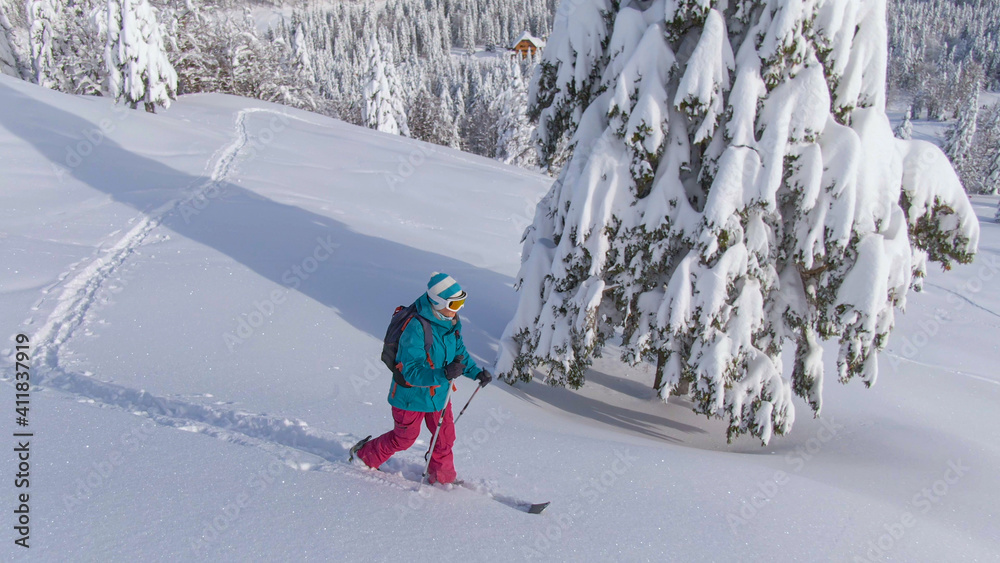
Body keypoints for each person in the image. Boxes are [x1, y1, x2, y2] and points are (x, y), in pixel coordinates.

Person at [351, 272, 492, 485]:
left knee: (444, 438)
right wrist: (443, 374)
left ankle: (441, 479)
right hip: (410, 395)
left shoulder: (451, 322)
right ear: (438, 301)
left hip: (439, 396)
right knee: (404, 438)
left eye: (462, 302)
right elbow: (411, 371)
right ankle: (363, 456)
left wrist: (475, 373)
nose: (459, 309)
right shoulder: (416, 327)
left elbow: (459, 353)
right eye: (455, 303)